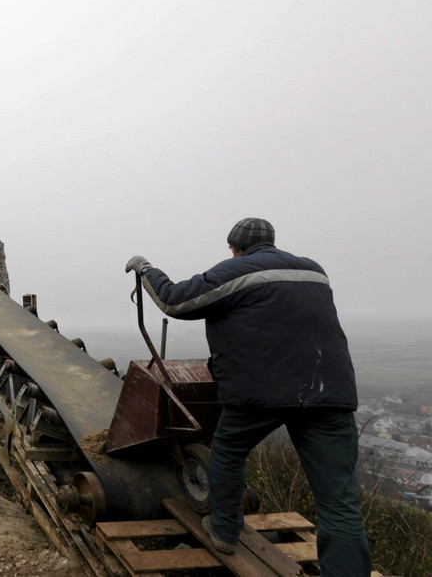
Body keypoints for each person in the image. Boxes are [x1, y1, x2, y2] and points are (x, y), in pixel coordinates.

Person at [126, 218, 370, 575]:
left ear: (235, 248)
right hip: (328, 391)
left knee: (227, 450)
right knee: (338, 499)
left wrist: (146, 269)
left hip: (262, 389)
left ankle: (224, 531)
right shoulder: (315, 272)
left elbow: (175, 301)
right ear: (272, 242)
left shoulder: (236, 271)